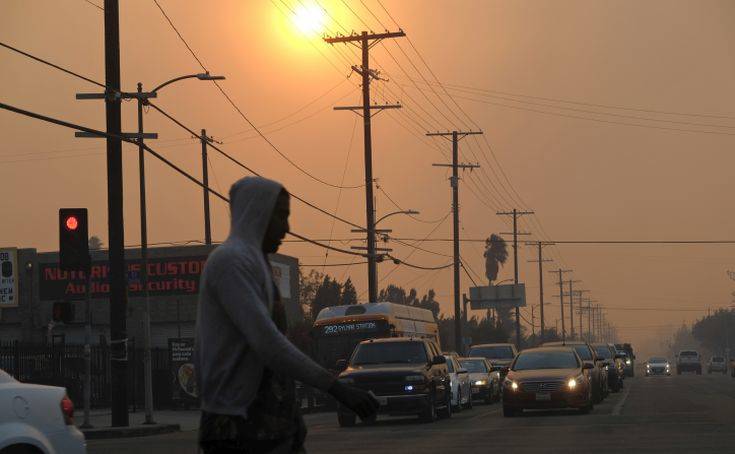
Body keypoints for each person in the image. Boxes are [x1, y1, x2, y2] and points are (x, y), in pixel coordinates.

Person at [194, 176, 378, 453]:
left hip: (273, 426)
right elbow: (268, 343)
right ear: (258, 214)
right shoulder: (231, 262)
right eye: (280, 216)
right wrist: (337, 389)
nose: (287, 227)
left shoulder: (257, 264)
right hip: (238, 425)